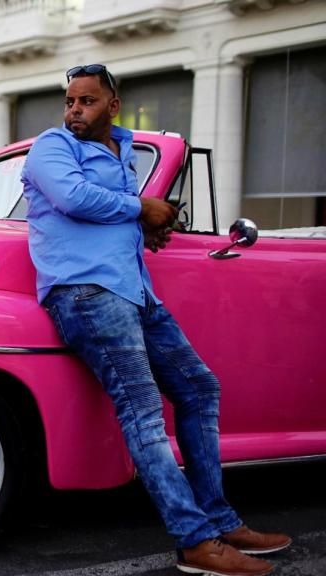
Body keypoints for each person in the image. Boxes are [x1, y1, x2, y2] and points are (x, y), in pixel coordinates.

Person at [21, 64, 291, 576]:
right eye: (70, 101)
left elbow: (114, 217)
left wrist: (143, 228)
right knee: (142, 410)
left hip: (134, 290)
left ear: (113, 106)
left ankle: (220, 520)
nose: (75, 110)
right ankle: (195, 541)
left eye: (87, 101)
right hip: (85, 291)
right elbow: (73, 198)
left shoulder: (124, 149)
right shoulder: (52, 146)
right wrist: (141, 208)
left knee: (199, 387)